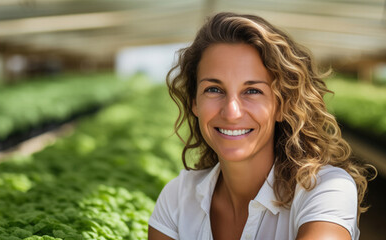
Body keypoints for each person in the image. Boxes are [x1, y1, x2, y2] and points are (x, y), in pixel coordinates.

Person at [149, 12, 372, 240]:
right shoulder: (177, 198)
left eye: (252, 91)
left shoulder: (325, 190)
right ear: (195, 102)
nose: (232, 112)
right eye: (214, 89)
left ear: (282, 105)